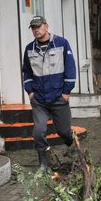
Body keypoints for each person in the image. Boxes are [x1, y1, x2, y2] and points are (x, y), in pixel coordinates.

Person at [22, 15, 77, 171]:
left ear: (46, 26)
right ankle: (44, 163)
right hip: (39, 99)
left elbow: (70, 68)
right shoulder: (29, 49)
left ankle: (74, 149)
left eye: (38, 27)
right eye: (33, 28)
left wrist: (66, 92)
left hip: (59, 97)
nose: (36, 30)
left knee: (64, 131)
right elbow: (26, 72)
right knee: (38, 132)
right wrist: (30, 92)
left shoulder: (61, 43)